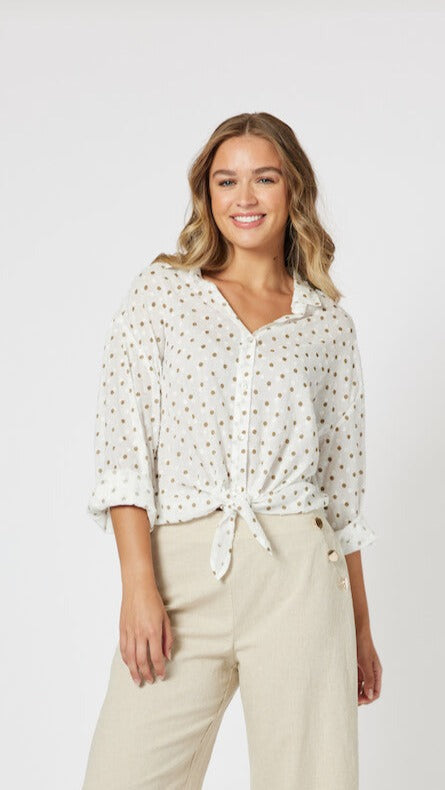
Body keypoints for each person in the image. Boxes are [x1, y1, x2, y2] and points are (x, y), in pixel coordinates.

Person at [81, 112, 382, 790]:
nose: (244, 197)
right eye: (226, 181)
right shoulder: (163, 294)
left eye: (263, 179)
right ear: (207, 194)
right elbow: (125, 453)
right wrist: (138, 587)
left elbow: (341, 499)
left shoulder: (327, 325)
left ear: (292, 189)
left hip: (300, 579)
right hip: (181, 573)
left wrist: (360, 629)